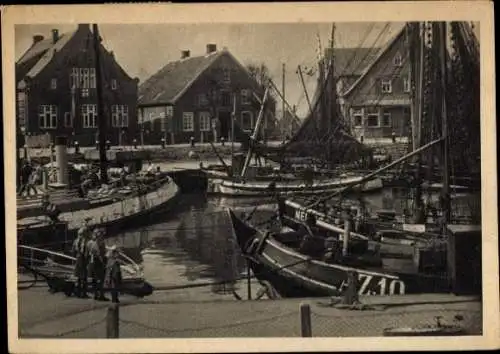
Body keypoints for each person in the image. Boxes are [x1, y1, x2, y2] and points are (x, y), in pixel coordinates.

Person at [87, 228, 108, 301]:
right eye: (100, 234)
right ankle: (101, 295)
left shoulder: (89, 243)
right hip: (98, 262)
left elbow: (87, 253)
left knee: (94, 279)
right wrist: (103, 263)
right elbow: (99, 254)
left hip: (92, 262)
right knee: (100, 279)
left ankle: (96, 295)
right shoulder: (98, 243)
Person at [72, 226, 90, 298]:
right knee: (84, 277)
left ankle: (78, 293)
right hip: (83, 259)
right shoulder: (86, 241)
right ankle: (84, 293)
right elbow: (87, 252)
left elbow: (73, 251)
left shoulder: (76, 241)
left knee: (79, 277)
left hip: (78, 258)